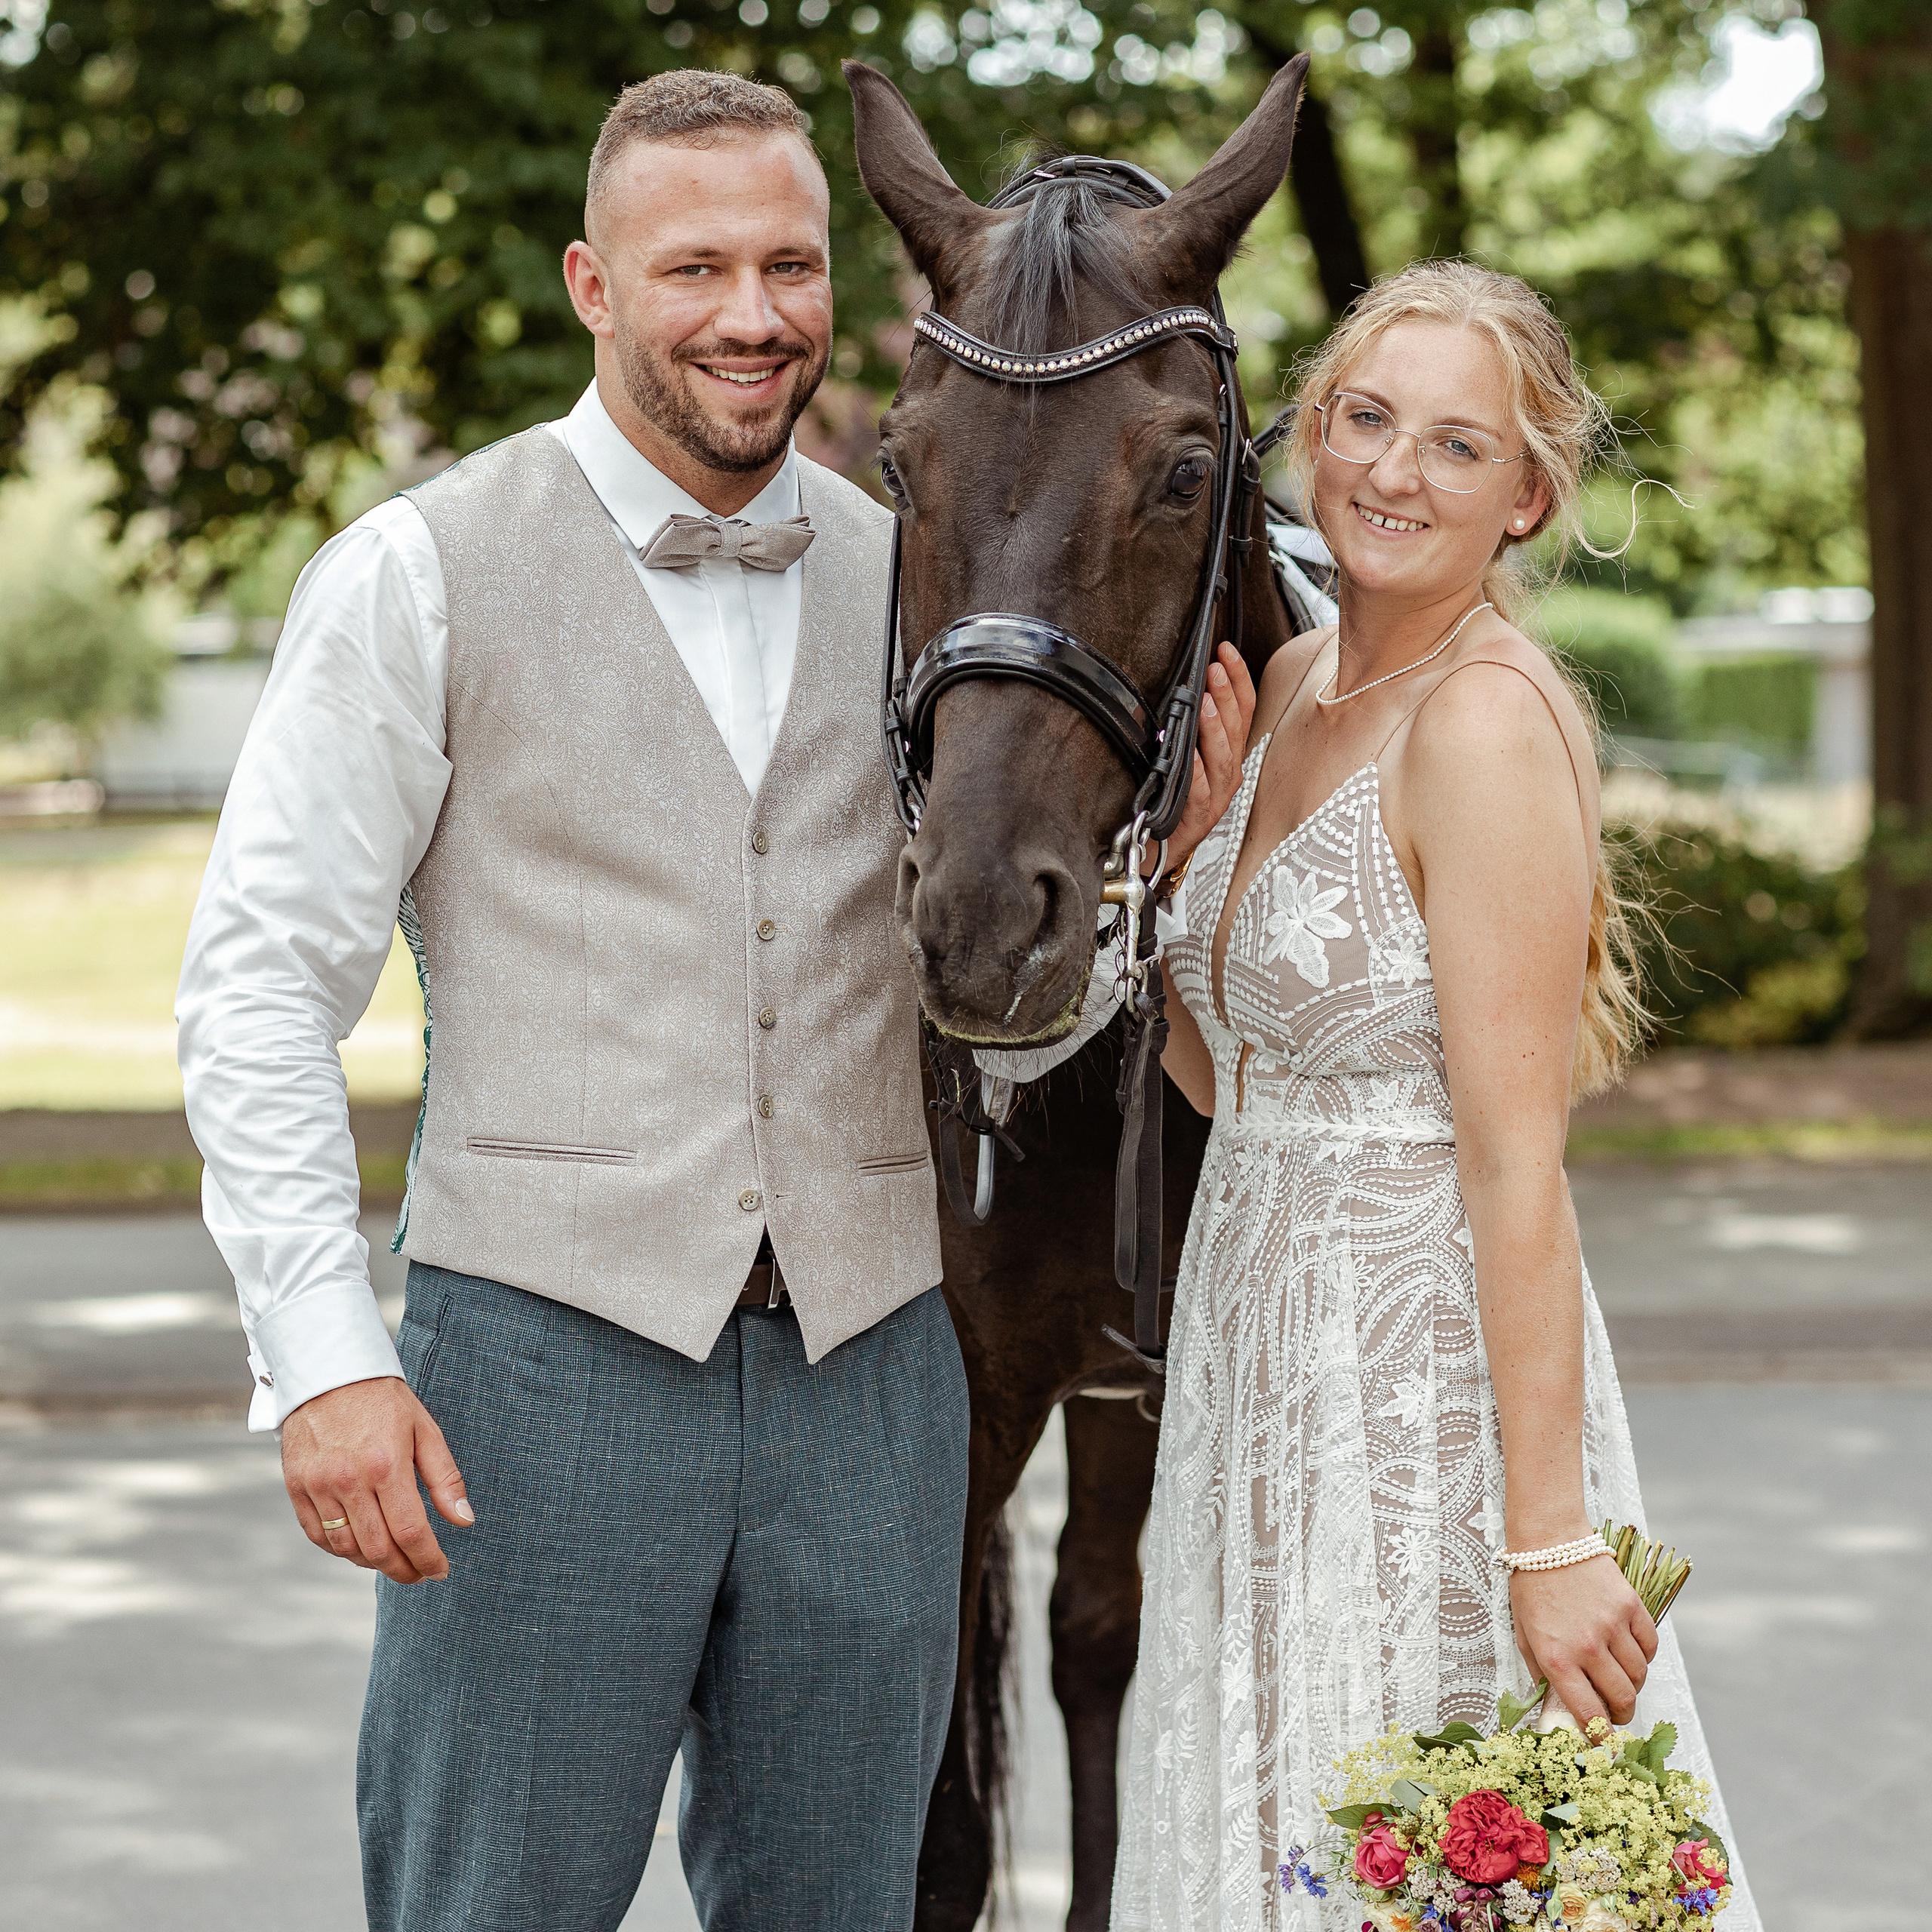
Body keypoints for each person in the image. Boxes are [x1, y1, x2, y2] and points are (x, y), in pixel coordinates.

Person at [177, 69, 1251, 1931]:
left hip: (872, 1382)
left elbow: (993, 989)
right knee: (490, 1903)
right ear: (594, 285)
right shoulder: (421, 570)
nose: (748, 315)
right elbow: (259, 983)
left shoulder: (927, 571)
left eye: (786, 264)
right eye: (693, 267)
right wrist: (323, 1352)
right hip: (540, 1376)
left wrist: (1177, 870)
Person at [1109, 261, 1761, 1930]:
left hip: (1418, 1402)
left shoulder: (1476, 722)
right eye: (1364, 418)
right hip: (1252, 1371)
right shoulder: (1297, 684)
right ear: (1313, 432)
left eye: (1455, 445)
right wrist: (1188, 870)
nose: (1392, 470)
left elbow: (1513, 1157)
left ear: (1527, 494)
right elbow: (1232, 1084)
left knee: (1427, 1838)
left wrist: (1548, 1538)